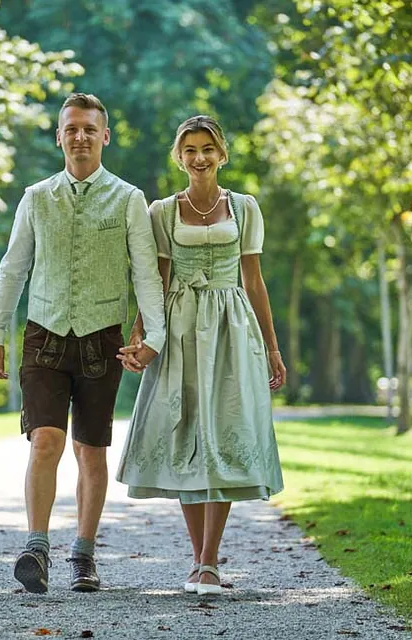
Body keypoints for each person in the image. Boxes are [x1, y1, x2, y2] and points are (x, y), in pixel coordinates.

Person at [0, 93, 165, 594]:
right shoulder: (36, 196)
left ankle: (83, 556)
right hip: (44, 336)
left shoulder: (128, 199)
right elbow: (13, 268)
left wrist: (155, 336)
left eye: (90, 128)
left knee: (91, 451)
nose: (80, 136)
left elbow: (146, 275)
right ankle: (35, 548)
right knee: (45, 441)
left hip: (101, 340)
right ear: (59, 136)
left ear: (104, 136)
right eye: (72, 128)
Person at [116, 115, 285, 596]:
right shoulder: (162, 211)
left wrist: (272, 347)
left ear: (222, 153)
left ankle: (210, 560)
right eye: (189, 149)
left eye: (207, 148)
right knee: (187, 432)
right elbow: (157, 281)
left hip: (232, 328)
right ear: (179, 157)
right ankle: (198, 561)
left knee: (225, 431)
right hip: (181, 327)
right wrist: (142, 334)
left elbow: (253, 280)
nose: (199, 157)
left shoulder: (245, 208)